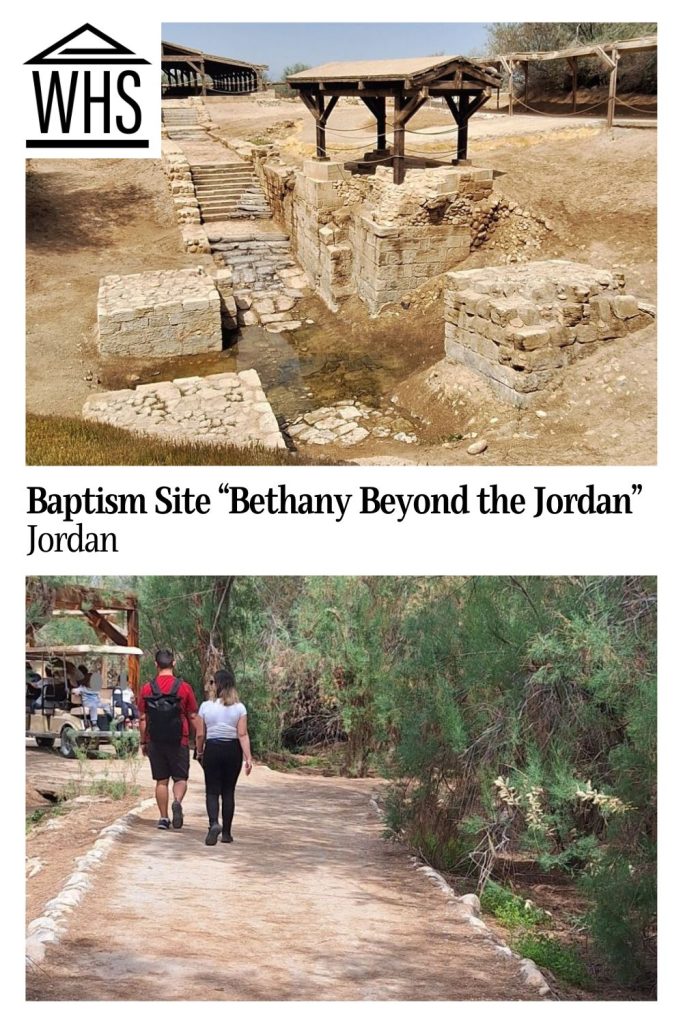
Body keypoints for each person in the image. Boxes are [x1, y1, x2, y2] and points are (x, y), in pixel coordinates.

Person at [138, 650, 198, 831]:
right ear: (174, 664)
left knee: (161, 781)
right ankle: (177, 801)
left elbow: (142, 718)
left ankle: (163, 818)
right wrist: (199, 737)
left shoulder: (147, 688)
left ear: (156, 665)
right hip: (180, 739)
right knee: (180, 778)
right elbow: (193, 715)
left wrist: (143, 741)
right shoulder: (184, 687)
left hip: (155, 740)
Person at [195, 669, 253, 846]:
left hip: (213, 748)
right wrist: (248, 758)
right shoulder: (239, 708)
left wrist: (199, 752)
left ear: (216, 685)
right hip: (232, 750)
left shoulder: (205, 706)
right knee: (228, 791)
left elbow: (200, 734)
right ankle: (226, 833)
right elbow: (242, 734)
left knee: (212, 790)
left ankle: (214, 823)